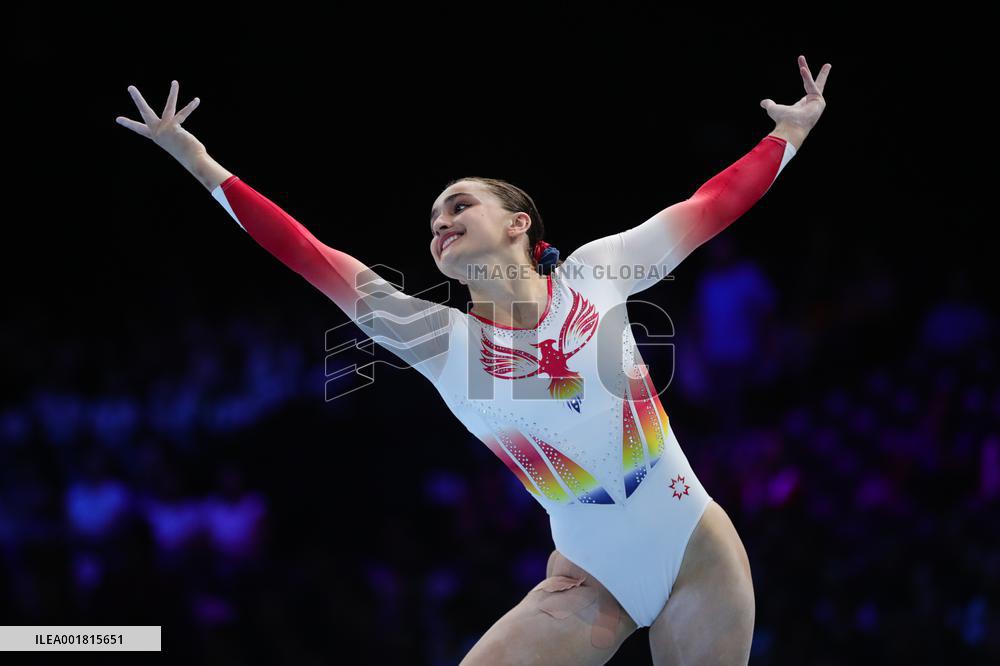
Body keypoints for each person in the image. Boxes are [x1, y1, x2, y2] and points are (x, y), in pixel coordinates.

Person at [116, 54, 830, 665]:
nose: (441, 224)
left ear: (520, 223)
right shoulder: (438, 341)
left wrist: (787, 135)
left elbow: (713, 203)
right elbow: (307, 253)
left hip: (698, 550)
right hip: (592, 580)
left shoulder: (597, 272)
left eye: (458, 207)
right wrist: (199, 162)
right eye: (432, 223)